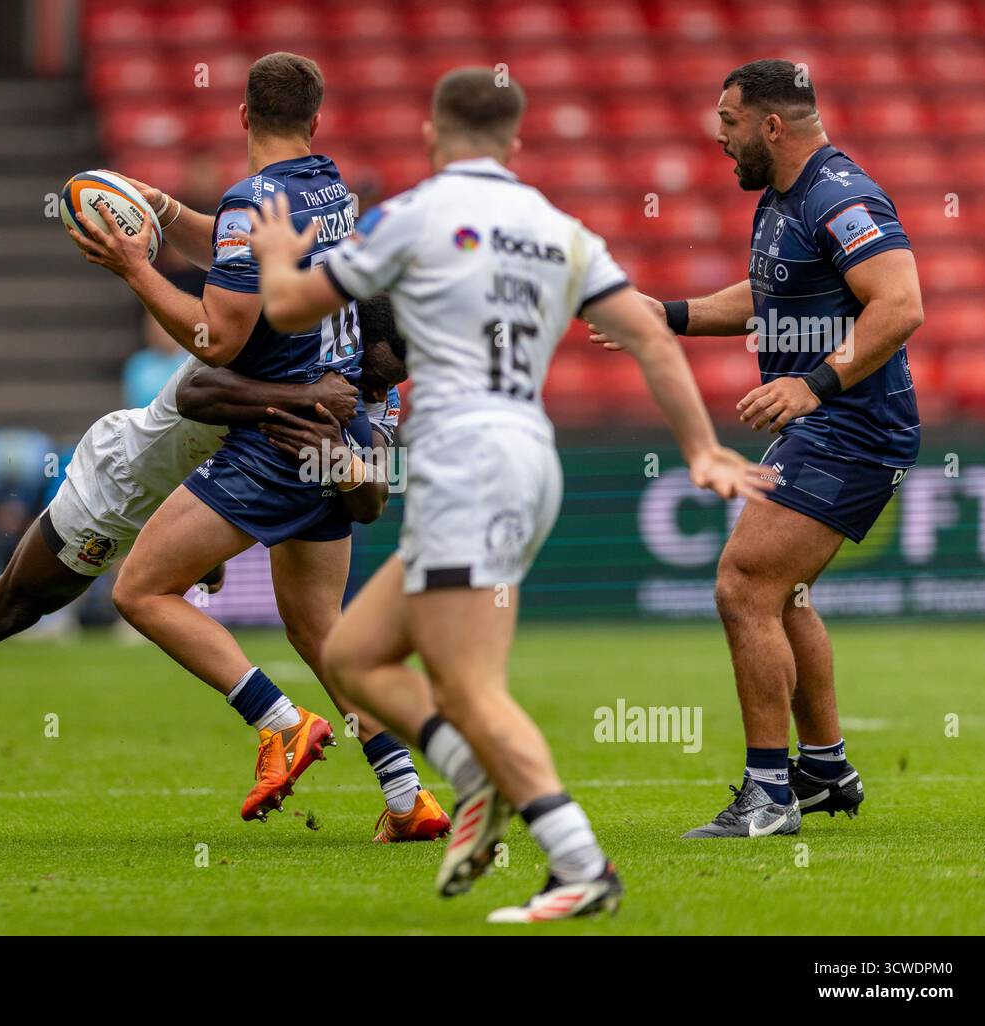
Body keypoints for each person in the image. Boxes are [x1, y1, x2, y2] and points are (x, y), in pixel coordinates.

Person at [245, 67, 771, 921]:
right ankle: (471, 780)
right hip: (528, 456)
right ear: (516, 143)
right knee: (351, 658)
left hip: (465, 461)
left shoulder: (412, 214)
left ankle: (578, 862)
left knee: (471, 690)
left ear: (430, 136)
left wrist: (273, 256)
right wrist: (701, 447)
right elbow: (647, 334)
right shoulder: (555, 226)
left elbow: (293, 309)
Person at [0, 294, 445, 840]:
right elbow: (197, 394)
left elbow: (373, 499)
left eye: (398, 378)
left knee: (322, 629)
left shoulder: (376, 390)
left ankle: (400, 789)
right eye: (382, 368)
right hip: (127, 482)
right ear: (356, 336)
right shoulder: (281, 335)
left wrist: (339, 462)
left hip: (204, 487)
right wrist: (305, 400)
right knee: (16, 601)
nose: (380, 387)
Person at [64, 52, 447, 838]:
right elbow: (243, 255)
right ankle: (409, 801)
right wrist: (170, 214)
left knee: (142, 590)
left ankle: (277, 721)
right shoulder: (329, 190)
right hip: (333, 432)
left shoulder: (252, 198)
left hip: (277, 438)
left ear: (242, 116)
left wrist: (137, 267)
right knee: (321, 630)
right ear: (316, 119)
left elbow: (216, 335)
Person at [589, 60, 923, 839]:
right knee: (781, 591)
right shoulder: (784, 202)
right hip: (827, 427)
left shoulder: (840, 194)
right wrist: (665, 314)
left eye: (730, 124)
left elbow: (900, 304)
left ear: (772, 126)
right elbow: (765, 293)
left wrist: (815, 385)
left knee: (742, 584)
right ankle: (824, 767)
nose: (720, 139)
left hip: (853, 428)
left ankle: (770, 795)